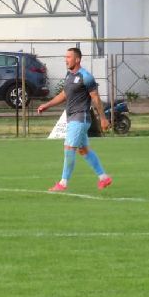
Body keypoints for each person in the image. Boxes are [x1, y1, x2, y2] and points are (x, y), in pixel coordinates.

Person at [35, 47, 112, 192]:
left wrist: (103, 118)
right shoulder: (69, 75)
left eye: (69, 57)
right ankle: (104, 178)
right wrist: (47, 105)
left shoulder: (86, 76)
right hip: (72, 117)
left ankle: (63, 183)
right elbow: (64, 94)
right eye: (66, 57)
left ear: (77, 59)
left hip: (80, 117)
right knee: (83, 150)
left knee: (69, 148)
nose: (66, 60)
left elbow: (95, 98)